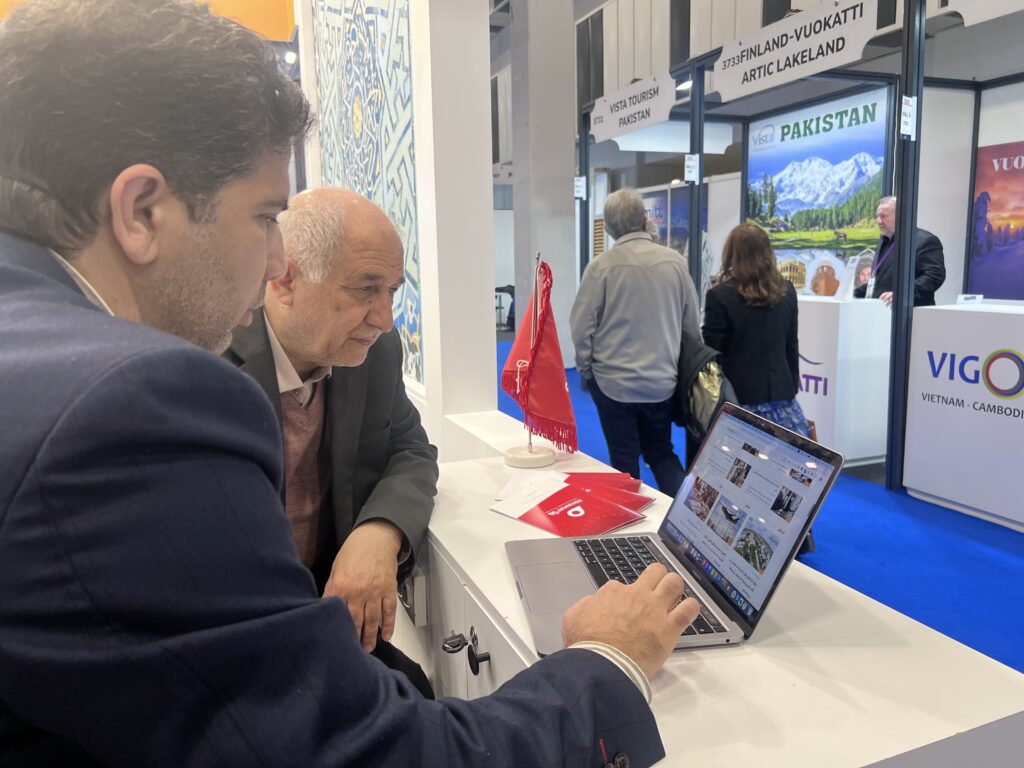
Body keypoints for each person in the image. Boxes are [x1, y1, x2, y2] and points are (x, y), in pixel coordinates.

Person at [0, 2, 701, 766]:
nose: (274, 260)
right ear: (141, 211)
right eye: (264, 217)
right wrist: (608, 660)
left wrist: (377, 530)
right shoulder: (136, 402)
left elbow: (410, 451)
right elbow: (365, 753)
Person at [224, 187, 437, 697]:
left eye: (392, 291)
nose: (385, 319)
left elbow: (411, 450)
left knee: (414, 692)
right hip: (233, 636)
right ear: (285, 279)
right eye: (366, 289)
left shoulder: (372, 353)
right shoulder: (208, 361)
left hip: (327, 614)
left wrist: (378, 532)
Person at [570, 188, 701, 497]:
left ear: (608, 227)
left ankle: (629, 519)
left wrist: (586, 368)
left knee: (623, 460)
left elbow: (580, 327)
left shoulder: (600, 268)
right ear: (645, 220)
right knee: (661, 453)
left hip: (613, 385)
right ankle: (687, 515)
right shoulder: (675, 263)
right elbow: (692, 327)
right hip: (661, 383)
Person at [703, 224, 809, 439]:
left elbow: (712, 355)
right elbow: (791, 345)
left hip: (738, 400)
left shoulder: (719, 296)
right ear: (767, 252)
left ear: (731, 254)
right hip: (782, 398)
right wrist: (790, 388)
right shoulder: (787, 291)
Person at [854, 196, 946, 306]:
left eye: (883, 216)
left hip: (909, 312)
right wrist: (853, 293)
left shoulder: (924, 241)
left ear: (900, 216)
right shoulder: (884, 241)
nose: (878, 221)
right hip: (881, 310)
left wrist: (901, 294)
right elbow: (879, 281)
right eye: (877, 216)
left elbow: (934, 276)